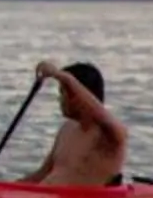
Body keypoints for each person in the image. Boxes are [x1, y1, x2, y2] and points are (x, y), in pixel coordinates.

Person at [18, 59, 128, 187]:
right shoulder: (67, 128)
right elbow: (42, 174)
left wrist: (63, 77)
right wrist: (3, 190)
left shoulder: (110, 136)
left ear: (78, 96)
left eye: (63, 92)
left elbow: (102, 114)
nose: (60, 99)